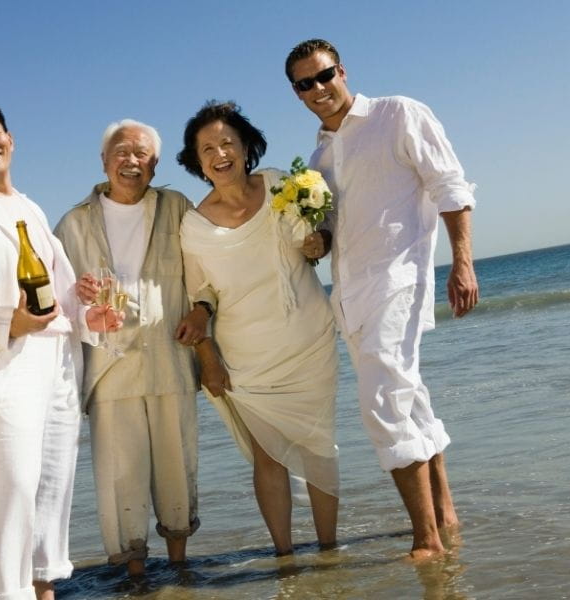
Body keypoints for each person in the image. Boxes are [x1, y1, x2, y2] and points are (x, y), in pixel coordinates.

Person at [285, 38, 480, 559]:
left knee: (382, 401)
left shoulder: (398, 114)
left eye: (324, 76)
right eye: (305, 84)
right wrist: (314, 242)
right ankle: (446, 515)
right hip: (347, 294)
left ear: (342, 71)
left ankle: (427, 540)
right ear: (297, 94)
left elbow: (450, 186)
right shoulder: (316, 158)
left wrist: (462, 263)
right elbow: (326, 232)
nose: (318, 89)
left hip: (399, 279)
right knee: (407, 393)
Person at [0, 99, 119, 600]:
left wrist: (88, 317)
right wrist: (3, 320)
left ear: (11, 139)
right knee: (13, 492)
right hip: (5, 365)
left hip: (58, 364)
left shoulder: (32, 207)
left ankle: (43, 590)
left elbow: (57, 298)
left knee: (52, 490)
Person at [176, 101, 340, 556]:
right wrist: (208, 359)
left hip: (308, 338)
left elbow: (312, 241)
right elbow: (200, 295)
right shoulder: (193, 226)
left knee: (319, 445)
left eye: (227, 142)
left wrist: (318, 241)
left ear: (246, 146)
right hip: (248, 354)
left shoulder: (277, 184)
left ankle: (329, 552)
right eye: (207, 148)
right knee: (268, 456)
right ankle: (285, 557)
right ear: (197, 160)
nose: (219, 153)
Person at [54, 119, 204, 577]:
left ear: (155, 164)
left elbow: (205, 268)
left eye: (141, 154)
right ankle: (134, 576)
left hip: (170, 358)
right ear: (104, 161)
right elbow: (55, 305)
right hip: (108, 367)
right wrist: (77, 299)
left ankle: (179, 571)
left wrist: (202, 311)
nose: (131, 161)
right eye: (121, 152)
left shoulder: (177, 207)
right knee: (121, 477)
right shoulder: (73, 222)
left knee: (178, 466)